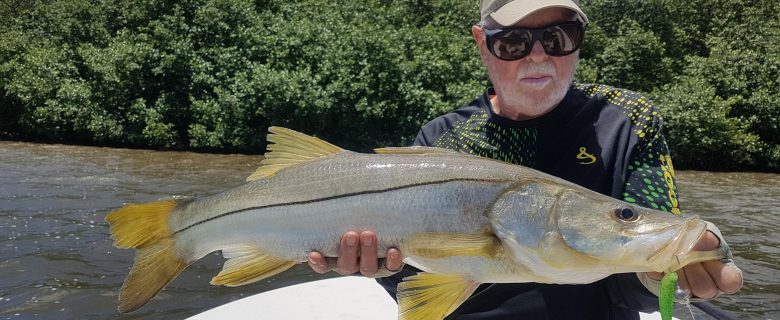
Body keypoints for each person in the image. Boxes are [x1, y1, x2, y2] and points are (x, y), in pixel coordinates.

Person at [307, 0, 744, 318]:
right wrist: (379, 268)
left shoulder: (629, 120)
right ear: (483, 43)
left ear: (578, 41)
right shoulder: (442, 139)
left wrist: (671, 275)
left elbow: (645, 276)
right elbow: (417, 289)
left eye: (559, 37)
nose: (539, 55)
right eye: (514, 41)